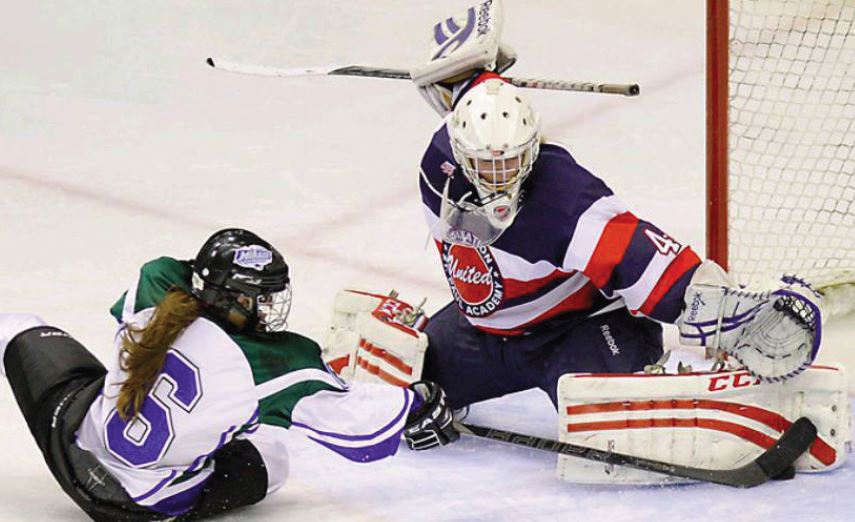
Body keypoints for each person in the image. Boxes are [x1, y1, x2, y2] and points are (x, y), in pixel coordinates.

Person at [414, 69, 821, 411]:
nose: (501, 175)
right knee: (408, 386)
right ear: (459, 151)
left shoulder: (563, 200)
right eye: (486, 165)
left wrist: (731, 312)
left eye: (512, 160)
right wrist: (474, 69)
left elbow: (646, 261)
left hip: (581, 329)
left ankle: (679, 381)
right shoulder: (438, 167)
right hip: (487, 335)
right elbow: (471, 87)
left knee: (609, 420)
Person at [0, 228, 457, 521]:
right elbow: (359, 434)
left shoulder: (156, 285)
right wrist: (418, 404)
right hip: (139, 506)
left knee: (17, 327)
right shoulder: (274, 364)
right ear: (236, 299)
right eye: (260, 297)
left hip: (71, 440)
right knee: (273, 458)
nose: (267, 307)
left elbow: (182, 277)